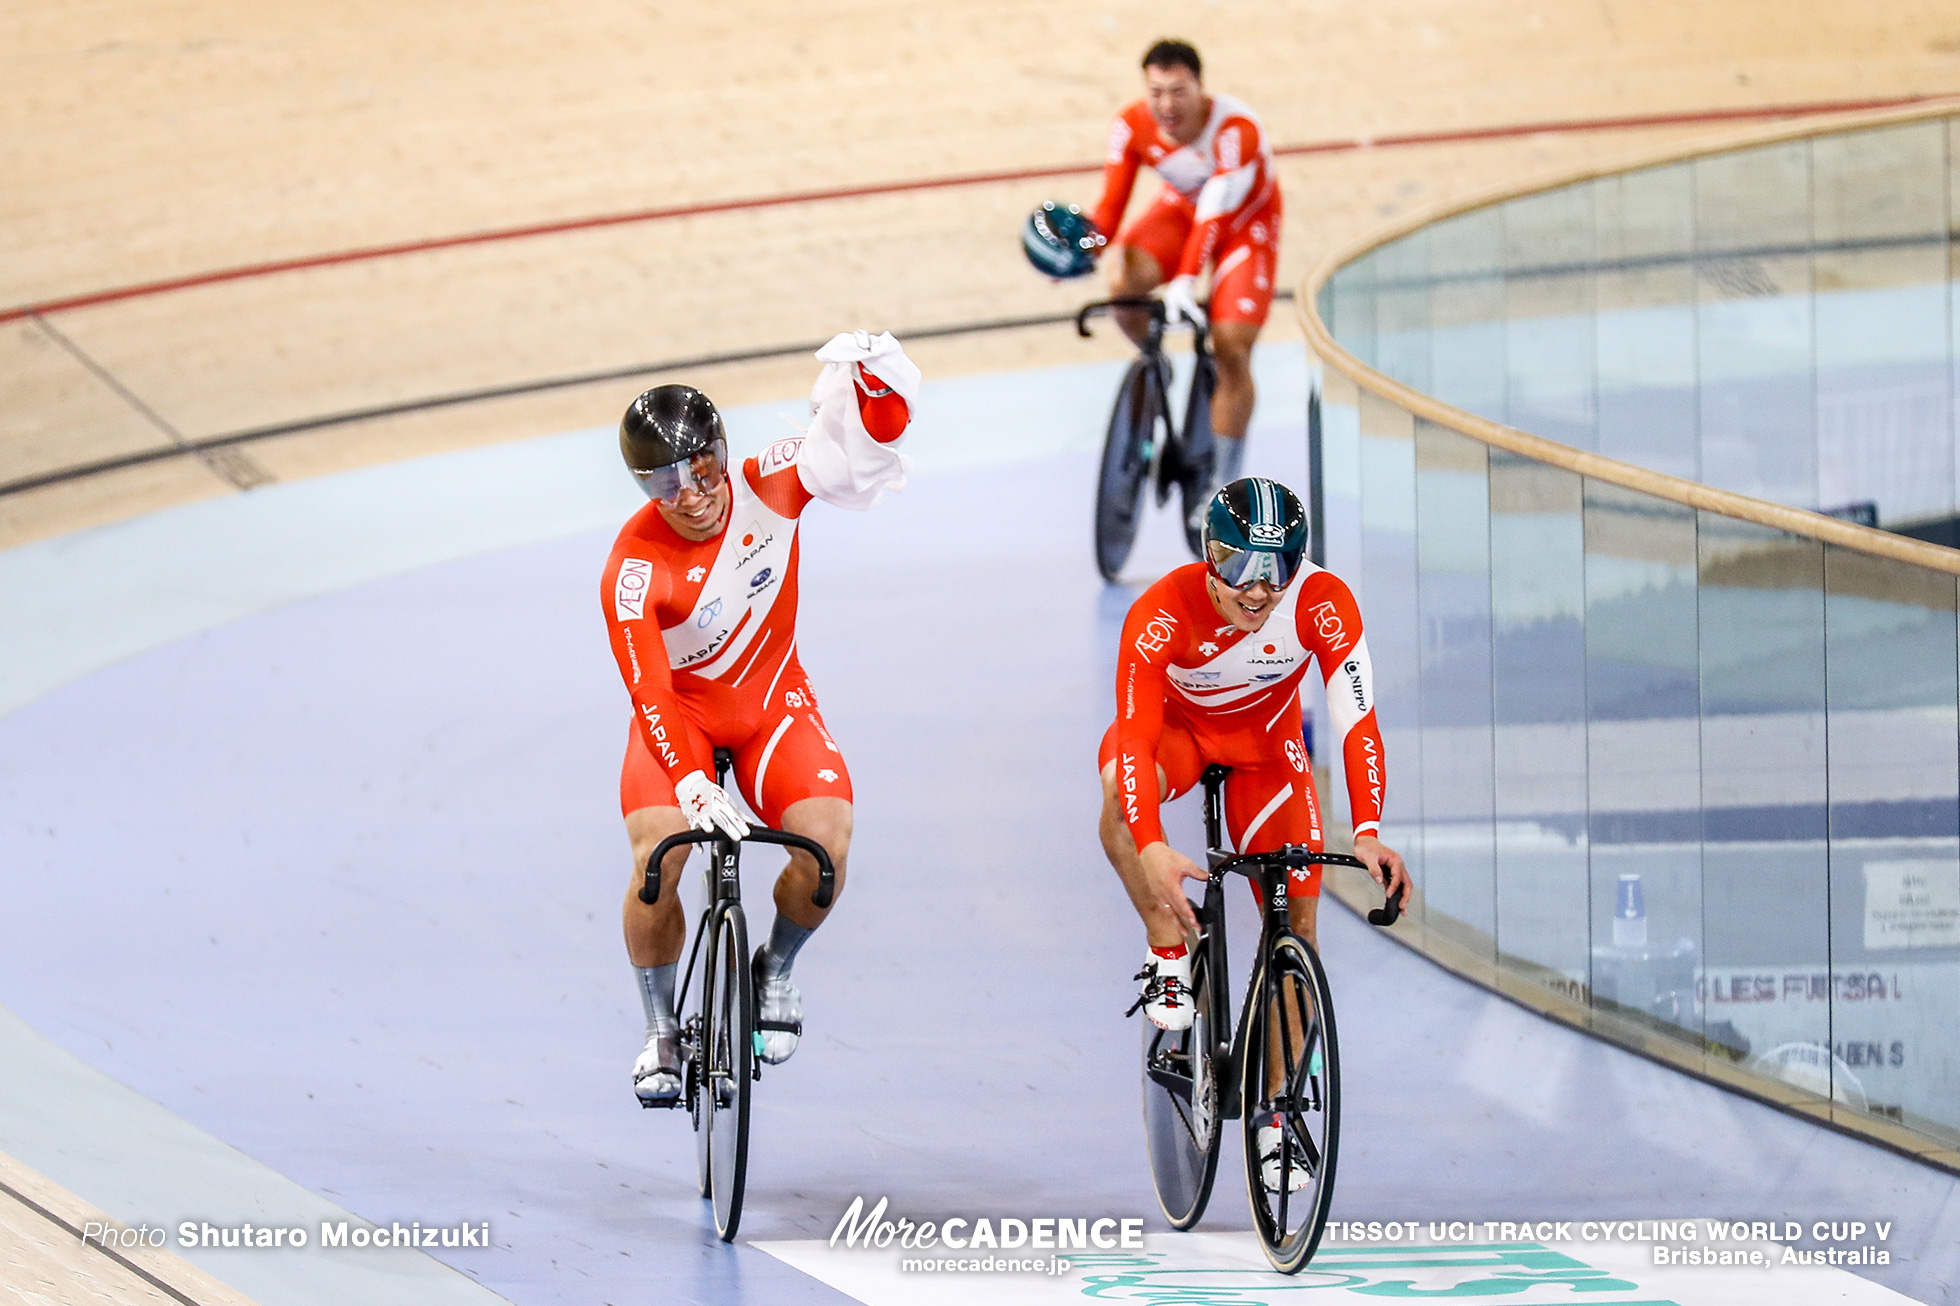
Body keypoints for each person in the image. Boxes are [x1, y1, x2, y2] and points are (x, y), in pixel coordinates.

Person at [601, 331, 918, 1103]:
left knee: (827, 847)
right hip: (678, 722)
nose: (690, 494)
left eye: (700, 468)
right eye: (663, 484)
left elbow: (862, 450)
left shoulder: (770, 480)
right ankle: (660, 1031)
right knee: (657, 866)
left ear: (722, 451)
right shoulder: (633, 572)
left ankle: (774, 967)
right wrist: (691, 784)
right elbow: (650, 693)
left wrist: (873, 382)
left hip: (773, 707)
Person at [1097, 476, 1409, 1186]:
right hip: (1176, 736)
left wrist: (1366, 830)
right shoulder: (1159, 612)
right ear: (1210, 555)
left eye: (1278, 567)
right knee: (1118, 791)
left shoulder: (1325, 605)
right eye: (1239, 565)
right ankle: (1167, 946)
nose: (1258, 589)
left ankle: (1276, 1116)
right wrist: (1151, 846)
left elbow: (1356, 721)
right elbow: (1138, 739)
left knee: (1296, 927)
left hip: (1266, 751)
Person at [1090, 39, 1282, 509]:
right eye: (1156, 92)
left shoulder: (1235, 130)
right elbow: (1108, 215)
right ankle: (1158, 368)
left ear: (1201, 88)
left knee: (1231, 345)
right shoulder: (1132, 125)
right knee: (1123, 279)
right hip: (1182, 213)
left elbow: (1216, 214)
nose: (1167, 105)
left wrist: (1183, 282)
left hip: (1244, 225)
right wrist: (1078, 251)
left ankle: (1221, 486)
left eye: (1178, 92)